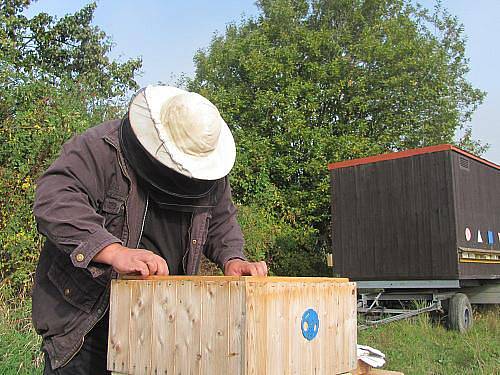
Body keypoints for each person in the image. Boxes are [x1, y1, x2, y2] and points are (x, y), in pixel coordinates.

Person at [32, 85, 267, 374]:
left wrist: (233, 258)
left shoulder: (209, 174)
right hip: (89, 320)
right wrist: (113, 251)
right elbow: (55, 198)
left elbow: (221, 219)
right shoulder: (100, 147)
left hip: (166, 325)